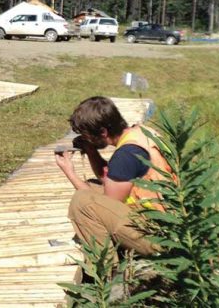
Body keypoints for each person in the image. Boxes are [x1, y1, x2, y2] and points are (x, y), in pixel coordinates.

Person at [54, 96, 171, 259]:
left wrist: (69, 173)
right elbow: (112, 177)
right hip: (169, 215)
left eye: (87, 135)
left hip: (157, 234)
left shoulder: (125, 155)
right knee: (92, 186)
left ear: (103, 132)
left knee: (82, 202)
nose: (86, 138)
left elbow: (107, 205)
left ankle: (109, 271)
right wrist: (91, 150)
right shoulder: (141, 133)